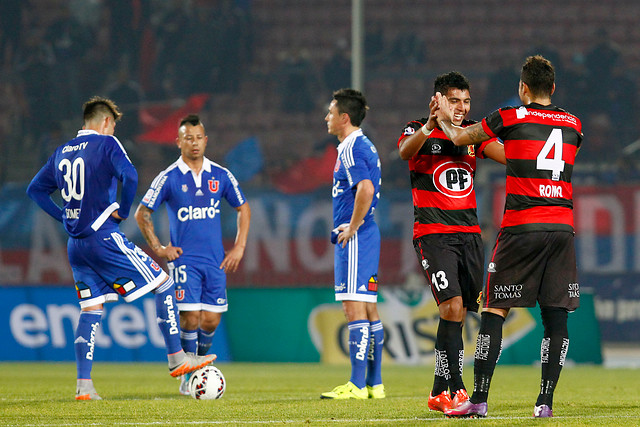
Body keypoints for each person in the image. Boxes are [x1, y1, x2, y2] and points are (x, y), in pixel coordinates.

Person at [26, 96, 215, 400]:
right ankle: (177, 358)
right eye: (113, 125)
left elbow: (34, 190)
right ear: (106, 122)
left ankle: (84, 386)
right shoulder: (107, 145)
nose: (113, 130)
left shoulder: (61, 152)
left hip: (76, 244)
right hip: (104, 237)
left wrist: (63, 215)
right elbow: (130, 175)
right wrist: (124, 209)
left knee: (90, 309)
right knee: (165, 284)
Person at [435, 55, 583, 418]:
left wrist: (441, 114)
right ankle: (545, 403)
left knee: (494, 308)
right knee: (556, 314)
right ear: (553, 88)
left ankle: (480, 399)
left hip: (522, 226)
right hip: (562, 226)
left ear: (522, 88)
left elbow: (460, 137)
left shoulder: (511, 115)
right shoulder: (574, 124)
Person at [397, 71, 506, 413]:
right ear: (439, 99)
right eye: (454, 101)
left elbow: (504, 155)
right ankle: (458, 390)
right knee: (452, 308)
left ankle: (437, 391)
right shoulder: (417, 128)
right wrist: (433, 124)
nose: (461, 107)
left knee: (461, 313)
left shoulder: (471, 133)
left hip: (470, 235)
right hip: (432, 233)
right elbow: (404, 152)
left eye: (466, 101)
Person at [135, 114, 251, 396]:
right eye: (189, 138)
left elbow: (243, 209)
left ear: (206, 140)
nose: (195, 143)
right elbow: (142, 213)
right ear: (178, 142)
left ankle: (197, 365)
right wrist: (160, 248)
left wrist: (239, 247)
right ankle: (190, 375)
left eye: (199, 138)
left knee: (210, 320)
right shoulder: (169, 177)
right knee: (190, 317)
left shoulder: (221, 175)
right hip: (184, 260)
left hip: (215, 261)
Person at [320, 88, 384, 400]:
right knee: (369, 308)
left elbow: (366, 189)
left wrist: (352, 227)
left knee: (353, 307)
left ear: (344, 118)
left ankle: (357, 384)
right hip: (368, 235)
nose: (326, 118)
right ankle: (375, 383)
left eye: (330, 113)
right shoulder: (365, 145)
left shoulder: (350, 148)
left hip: (357, 237)